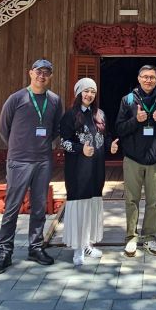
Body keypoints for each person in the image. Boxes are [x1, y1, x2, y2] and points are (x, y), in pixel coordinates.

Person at [0, 59, 63, 274]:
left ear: (51, 76)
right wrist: (18, 147)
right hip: (19, 160)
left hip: (43, 160)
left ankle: (36, 247)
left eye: (47, 73)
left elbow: (56, 128)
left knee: (39, 206)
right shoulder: (17, 98)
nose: (42, 76)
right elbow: (4, 128)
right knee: (12, 207)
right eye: (38, 72)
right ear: (30, 73)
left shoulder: (54, 100)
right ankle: (4, 251)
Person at [116, 64, 156, 257]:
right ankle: (131, 238)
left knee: (153, 201)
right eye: (145, 77)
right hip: (133, 158)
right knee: (131, 200)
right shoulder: (128, 100)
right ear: (139, 78)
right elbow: (119, 129)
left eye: (152, 77)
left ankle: (149, 237)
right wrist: (136, 120)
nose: (149, 80)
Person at [60, 78, 109, 266]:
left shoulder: (100, 115)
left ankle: (87, 243)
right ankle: (77, 248)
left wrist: (110, 145)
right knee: (79, 206)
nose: (89, 95)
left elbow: (104, 137)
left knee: (91, 206)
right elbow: (64, 142)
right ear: (79, 93)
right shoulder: (70, 115)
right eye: (86, 91)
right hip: (78, 170)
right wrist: (81, 149)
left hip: (96, 169)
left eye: (93, 92)